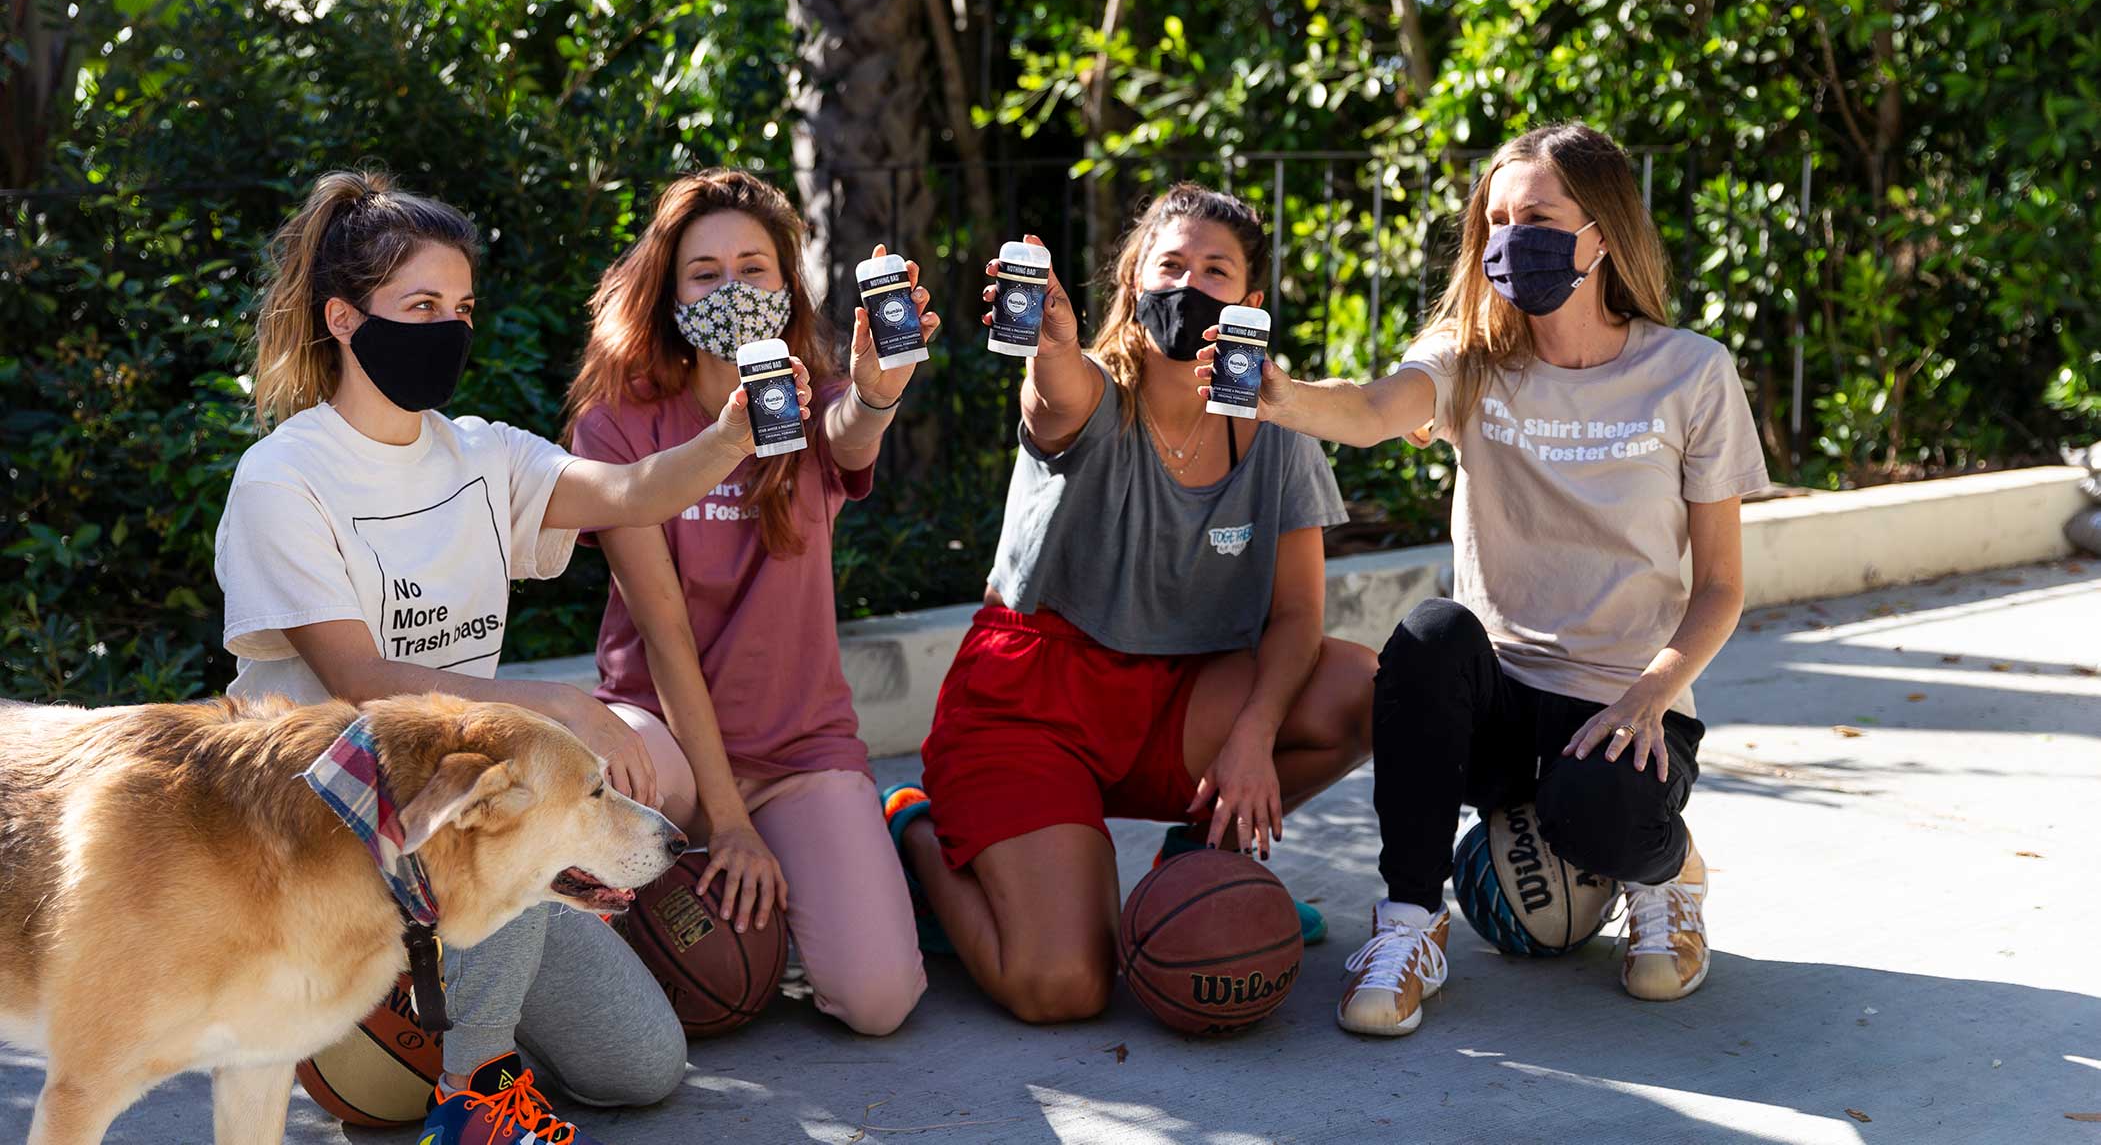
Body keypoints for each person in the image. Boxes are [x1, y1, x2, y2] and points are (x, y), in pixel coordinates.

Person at [214, 170, 811, 1144]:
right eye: (419, 307)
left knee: (640, 1066)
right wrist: (558, 707)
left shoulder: (481, 454)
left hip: (460, 817)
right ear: (343, 317)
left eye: (460, 308)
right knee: (524, 766)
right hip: (320, 818)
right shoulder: (284, 477)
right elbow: (360, 681)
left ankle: (422, 982)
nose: (447, 328)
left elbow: (631, 490)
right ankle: (475, 1090)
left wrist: (731, 433)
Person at [1200, 123, 1768, 1036]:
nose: (1511, 240)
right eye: (1496, 221)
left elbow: (1721, 587)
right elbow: (1378, 408)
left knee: (1603, 824)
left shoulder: (1691, 372)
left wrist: (1650, 695)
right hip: (1496, 702)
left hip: (1621, 703)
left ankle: (1668, 875)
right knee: (1428, 634)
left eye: (1536, 216)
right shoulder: (1469, 356)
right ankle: (1410, 924)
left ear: (1602, 232)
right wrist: (1282, 397)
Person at [886, 183, 1377, 1024]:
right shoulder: (1092, 395)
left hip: (1180, 698)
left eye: (1215, 271)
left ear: (1250, 302)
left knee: (1363, 686)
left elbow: (1298, 615)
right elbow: (1055, 395)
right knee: (1063, 988)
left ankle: (1201, 860)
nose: (1190, 284)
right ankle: (919, 831)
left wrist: (1254, 735)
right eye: (1170, 265)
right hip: (1030, 701)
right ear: (1132, 285)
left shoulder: (1279, 423)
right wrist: (1049, 347)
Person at [564, 169, 929, 1037]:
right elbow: (662, 634)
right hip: (667, 745)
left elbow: (849, 435)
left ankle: (896, 837)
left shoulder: (812, 399)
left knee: (878, 1004)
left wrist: (879, 390)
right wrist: (727, 824)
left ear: (787, 284)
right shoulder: (617, 424)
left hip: (801, 749)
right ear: (668, 291)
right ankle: (683, 875)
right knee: (620, 780)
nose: (732, 289)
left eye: (754, 268)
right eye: (704, 273)